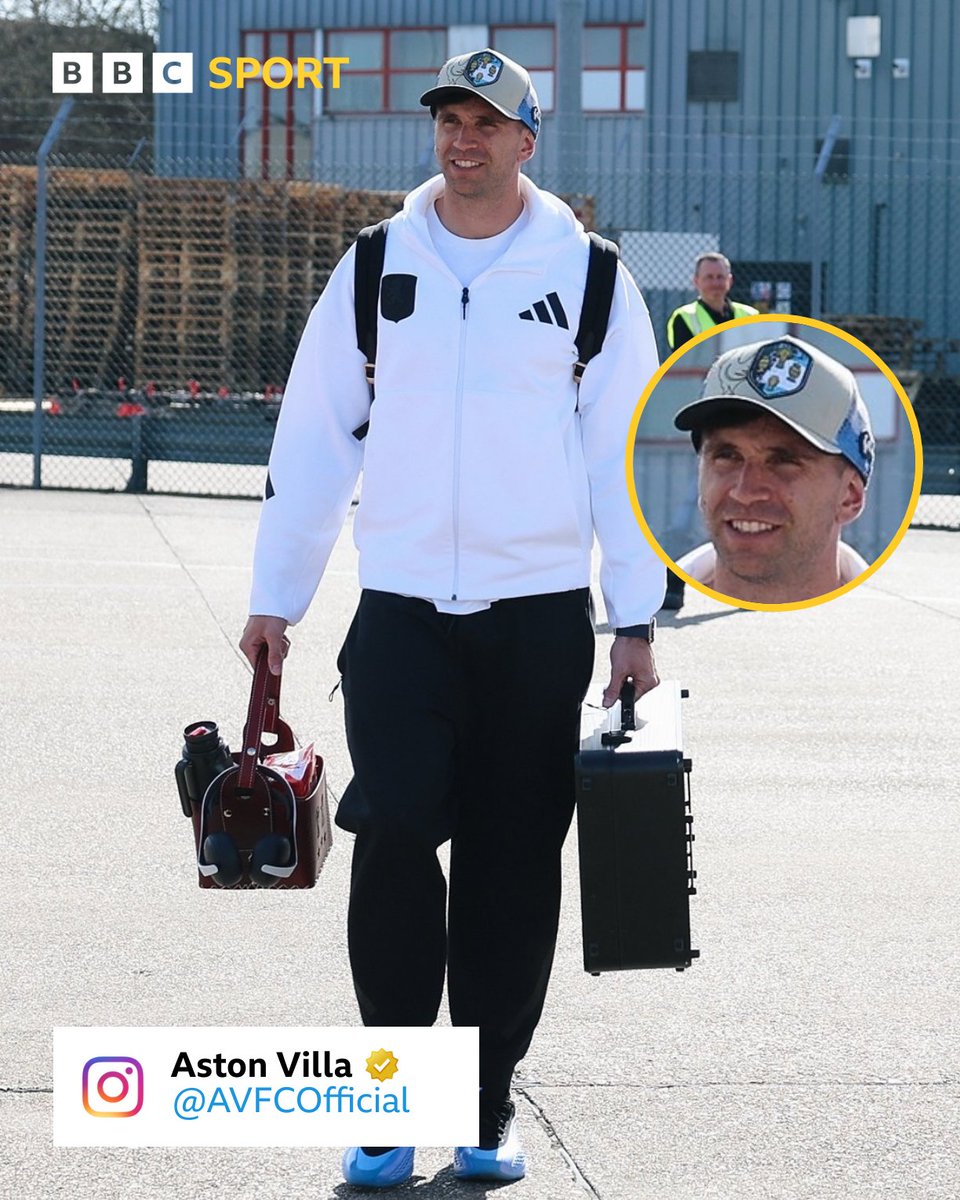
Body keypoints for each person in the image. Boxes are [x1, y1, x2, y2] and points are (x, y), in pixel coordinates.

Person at [239, 47, 664, 1189]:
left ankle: (483, 1105)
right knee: (391, 848)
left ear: (530, 140)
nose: (461, 138)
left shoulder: (590, 278)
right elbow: (315, 438)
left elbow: (625, 460)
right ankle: (388, 1107)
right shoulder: (379, 265)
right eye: (448, 120)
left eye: (487, 121)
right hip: (404, 618)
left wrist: (635, 615)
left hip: (535, 621)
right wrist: (275, 598)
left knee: (514, 868)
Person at [672, 334, 875, 603]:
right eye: (727, 455)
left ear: (850, 496)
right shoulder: (637, 618)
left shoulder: (892, 635)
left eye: (784, 461)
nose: (745, 491)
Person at [666, 252, 758, 352]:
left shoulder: (751, 315)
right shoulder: (684, 317)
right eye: (709, 277)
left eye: (720, 277)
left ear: (729, 281)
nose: (715, 283)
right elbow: (684, 363)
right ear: (696, 281)